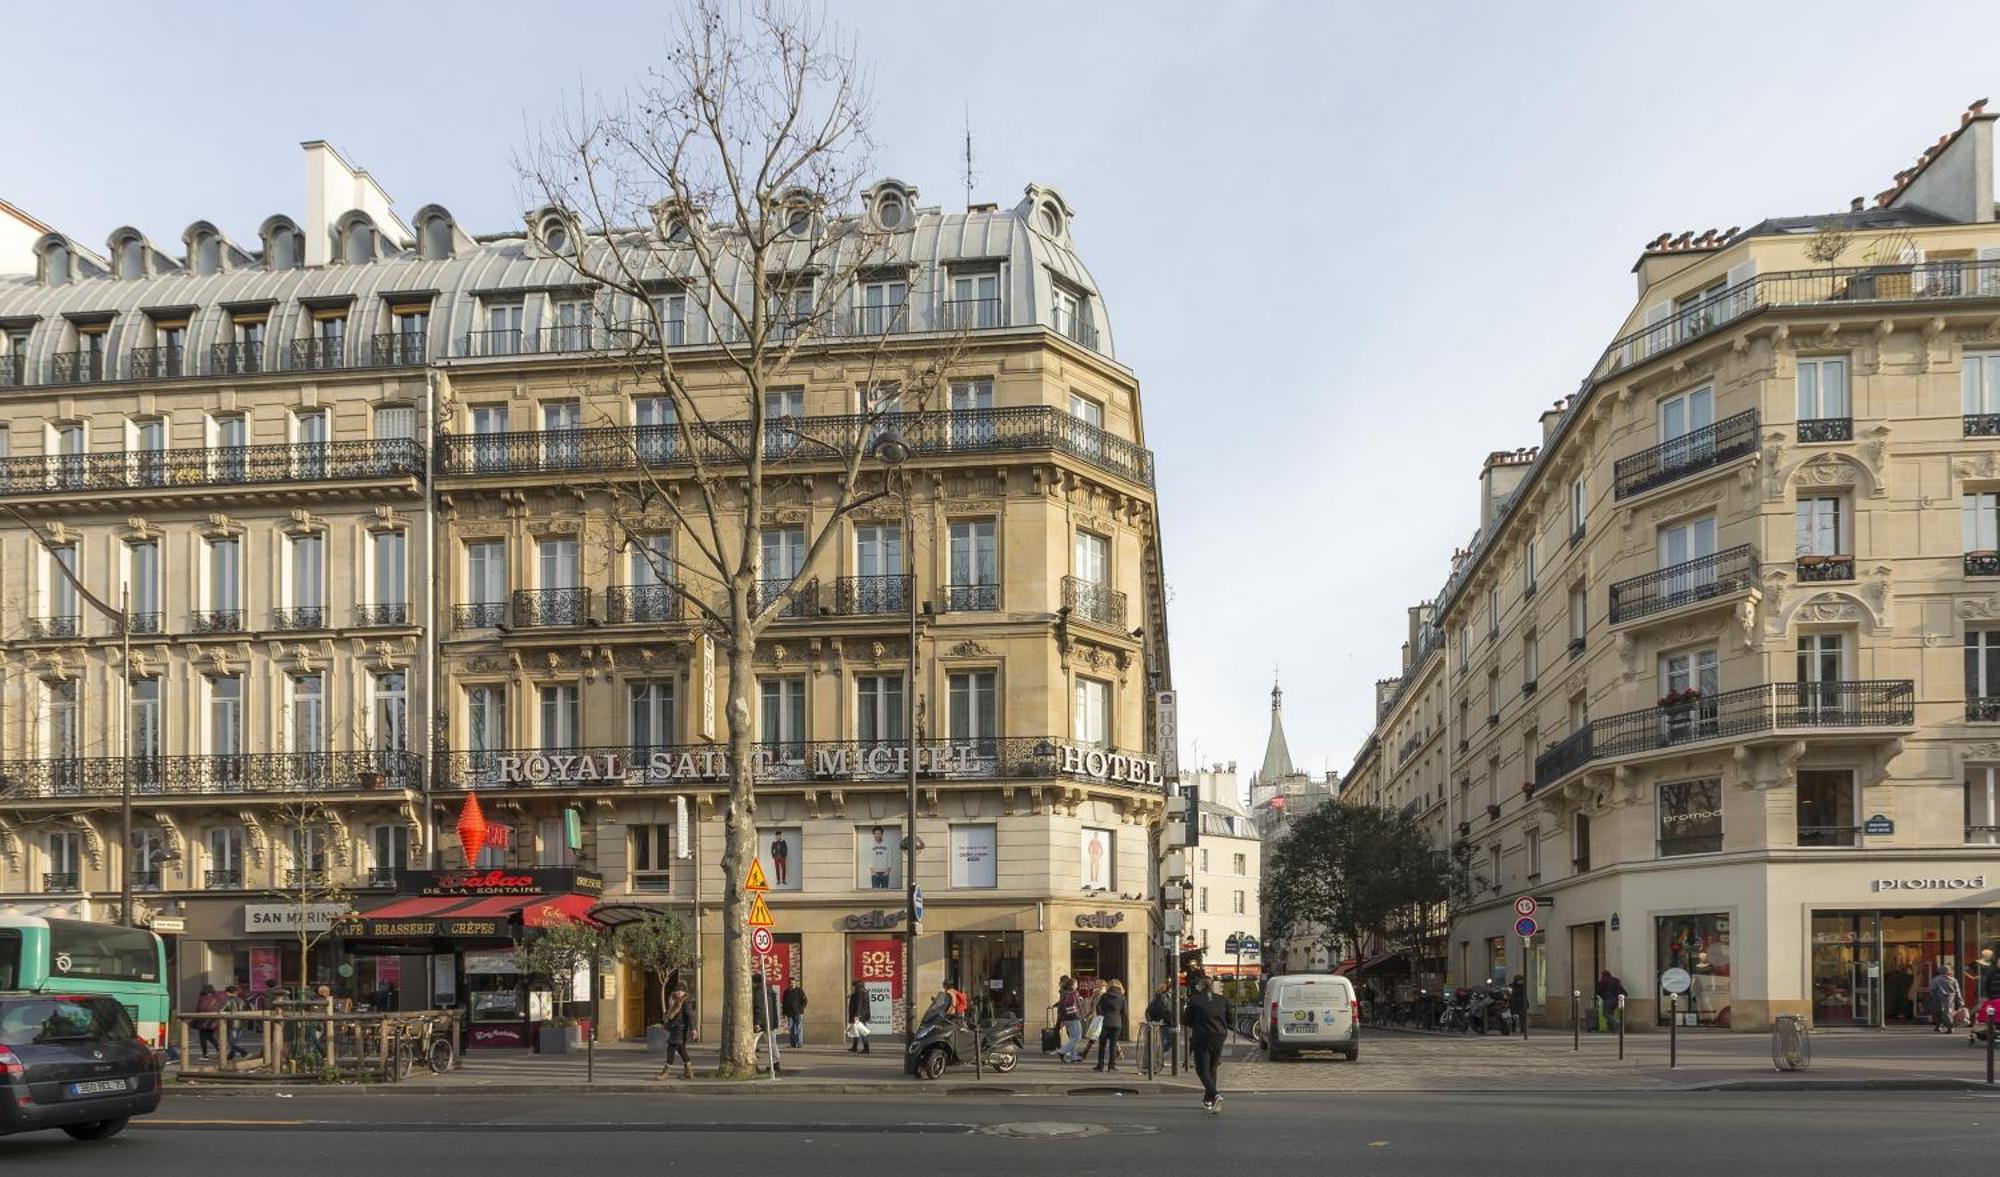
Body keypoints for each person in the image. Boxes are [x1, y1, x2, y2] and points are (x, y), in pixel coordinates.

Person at [1183, 970, 1231, 1113]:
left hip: (1202, 1036)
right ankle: (1208, 1100)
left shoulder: (1195, 1000)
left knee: (1202, 1069)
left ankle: (1215, 1094)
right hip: (1219, 1036)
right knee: (1213, 1067)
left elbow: (1187, 1020)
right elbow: (1230, 1020)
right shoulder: (1222, 999)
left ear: (1200, 986)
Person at [658, 985, 694, 1079]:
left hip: (680, 1029)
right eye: (677, 990)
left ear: (684, 992)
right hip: (673, 1028)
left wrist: (693, 1029)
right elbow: (670, 1013)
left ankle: (665, 1073)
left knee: (671, 1049)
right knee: (681, 1049)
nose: (679, 992)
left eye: (681, 991)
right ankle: (689, 1072)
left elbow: (689, 1016)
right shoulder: (673, 999)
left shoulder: (686, 1001)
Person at [1093, 979, 1128, 1072]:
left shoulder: (1104, 996)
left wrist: (1103, 1014)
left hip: (1105, 1022)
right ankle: (1111, 1066)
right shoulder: (1122, 997)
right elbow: (1125, 1012)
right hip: (1117, 1023)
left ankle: (1100, 1065)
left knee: (1102, 1045)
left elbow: (1098, 1008)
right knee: (1113, 1045)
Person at [1053, 975, 1083, 1063]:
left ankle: (1074, 1056)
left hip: (1066, 1017)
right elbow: (1078, 1006)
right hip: (1074, 1017)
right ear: (1073, 984)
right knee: (1077, 1037)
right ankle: (1062, 1051)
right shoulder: (1074, 993)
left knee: (1073, 1037)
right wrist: (1082, 1015)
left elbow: (1061, 1004)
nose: (1077, 985)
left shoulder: (1063, 992)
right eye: (1076, 983)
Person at [1144, 981, 1177, 1061]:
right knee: (1171, 1039)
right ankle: (1158, 1055)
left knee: (1162, 1040)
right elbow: (1163, 1010)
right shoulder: (1163, 997)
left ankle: (1157, 1057)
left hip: (1160, 1022)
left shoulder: (1158, 997)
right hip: (1164, 1022)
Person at [192, 983, 223, 1060]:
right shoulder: (217, 998)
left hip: (203, 1020)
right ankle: (218, 1048)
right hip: (214, 1020)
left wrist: (194, 1018)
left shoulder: (202, 998)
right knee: (209, 1036)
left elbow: (199, 1009)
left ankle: (206, 1054)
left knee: (203, 1037)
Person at [1931, 967, 1964, 1034]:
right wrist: (1960, 1000)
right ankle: (1950, 1028)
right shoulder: (1953, 980)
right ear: (1948, 972)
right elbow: (1957, 991)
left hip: (1938, 997)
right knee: (1948, 1013)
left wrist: (1933, 996)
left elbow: (1933, 989)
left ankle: (1938, 1026)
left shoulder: (1936, 979)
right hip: (1949, 998)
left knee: (1938, 1012)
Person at [846, 980, 872, 1055]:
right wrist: (851, 995)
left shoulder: (860, 991)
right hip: (862, 1014)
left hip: (859, 1015)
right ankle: (855, 1047)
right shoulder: (863, 991)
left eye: (853, 986)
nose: (853, 988)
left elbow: (859, 1003)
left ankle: (866, 1048)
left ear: (856, 985)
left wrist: (857, 1015)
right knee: (855, 1030)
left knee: (862, 1031)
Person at [781, 980, 807, 1048]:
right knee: (791, 1028)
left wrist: (801, 1008)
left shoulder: (799, 991)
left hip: (798, 1013)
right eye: (791, 983)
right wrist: (783, 1013)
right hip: (790, 1013)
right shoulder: (786, 992)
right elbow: (784, 1003)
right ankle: (793, 1043)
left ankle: (799, 1043)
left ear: (795, 984)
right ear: (789, 984)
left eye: (794, 983)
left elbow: (805, 1000)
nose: (792, 984)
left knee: (799, 1028)